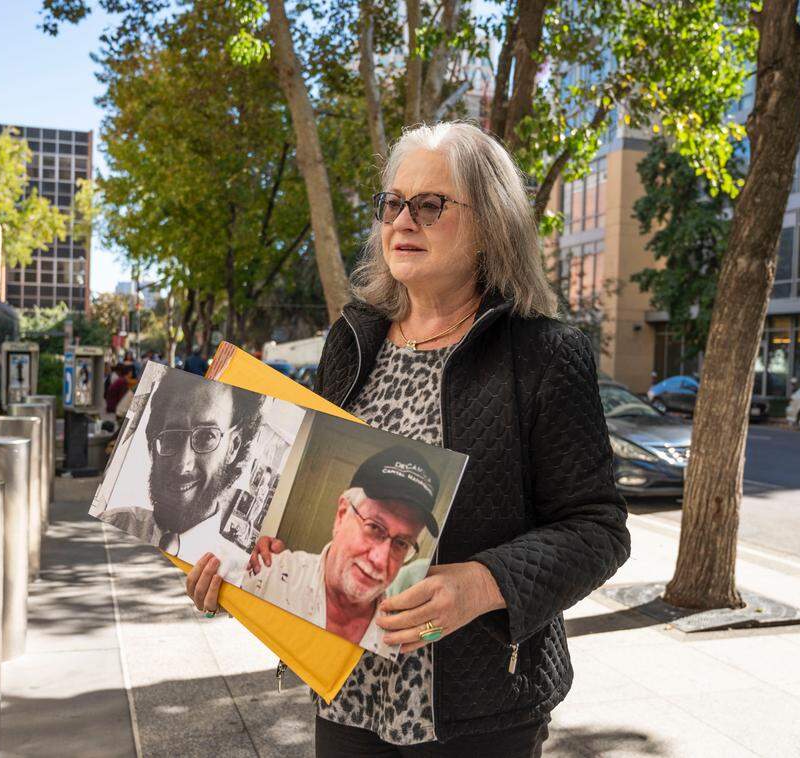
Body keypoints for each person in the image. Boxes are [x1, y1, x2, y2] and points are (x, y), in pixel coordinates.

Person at [187, 121, 629, 755]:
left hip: (480, 710)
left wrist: (481, 584)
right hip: (345, 696)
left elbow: (598, 528)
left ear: (491, 225)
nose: (402, 222)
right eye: (393, 203)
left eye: (430, 205)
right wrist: (228, 575)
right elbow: (285, 502)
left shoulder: (543, 355)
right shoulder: (352, 342)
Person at [241, 446, 440, 656]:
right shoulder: (266, 578)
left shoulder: (404, 632)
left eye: (401, 543)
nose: (380, 560)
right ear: (342, 514)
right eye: (374, 527)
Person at [102, 369, 265, 580]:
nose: (182, 465)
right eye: (171, 437)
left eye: (207, 436)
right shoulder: (114, 523)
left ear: (234, 446)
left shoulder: (240, 576)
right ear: (154, 443)